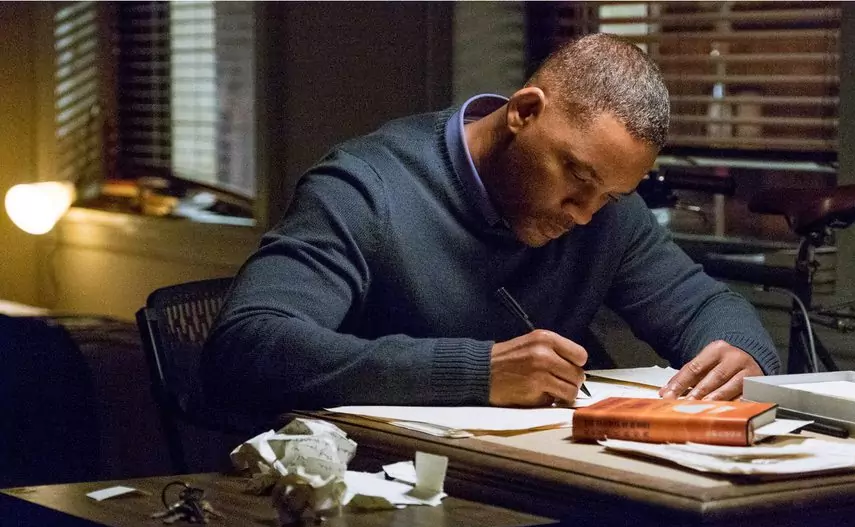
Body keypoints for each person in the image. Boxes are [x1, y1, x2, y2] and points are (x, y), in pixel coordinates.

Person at [201, 33, 779, 415]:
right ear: (524, 112)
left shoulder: (604, 212)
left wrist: (742, 355)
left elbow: (702, 305)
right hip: (378, 495)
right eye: (576, 177)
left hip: (536, 480)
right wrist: (475, 373)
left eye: (609, 195)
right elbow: (248, 345)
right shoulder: (368, 188)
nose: (584, 213)